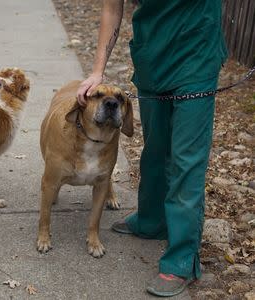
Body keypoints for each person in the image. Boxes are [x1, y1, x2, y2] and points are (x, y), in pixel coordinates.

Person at [77, 0, 227, 297]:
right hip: (153, 60)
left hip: (196, 54)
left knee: (186, 159)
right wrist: (97, 71)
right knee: (156, 149)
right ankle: (152, 220)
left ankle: (181, 257)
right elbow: (112, 8)